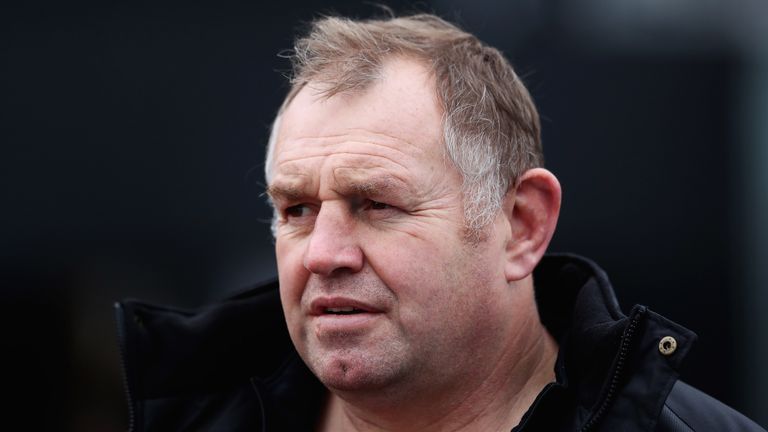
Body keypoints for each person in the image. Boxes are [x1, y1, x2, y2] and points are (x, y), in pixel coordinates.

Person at [115, 13, 765, 432]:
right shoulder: (184, 415)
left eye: (377, 205)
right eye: (297, 210)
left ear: (523, 226)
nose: (323, 254)